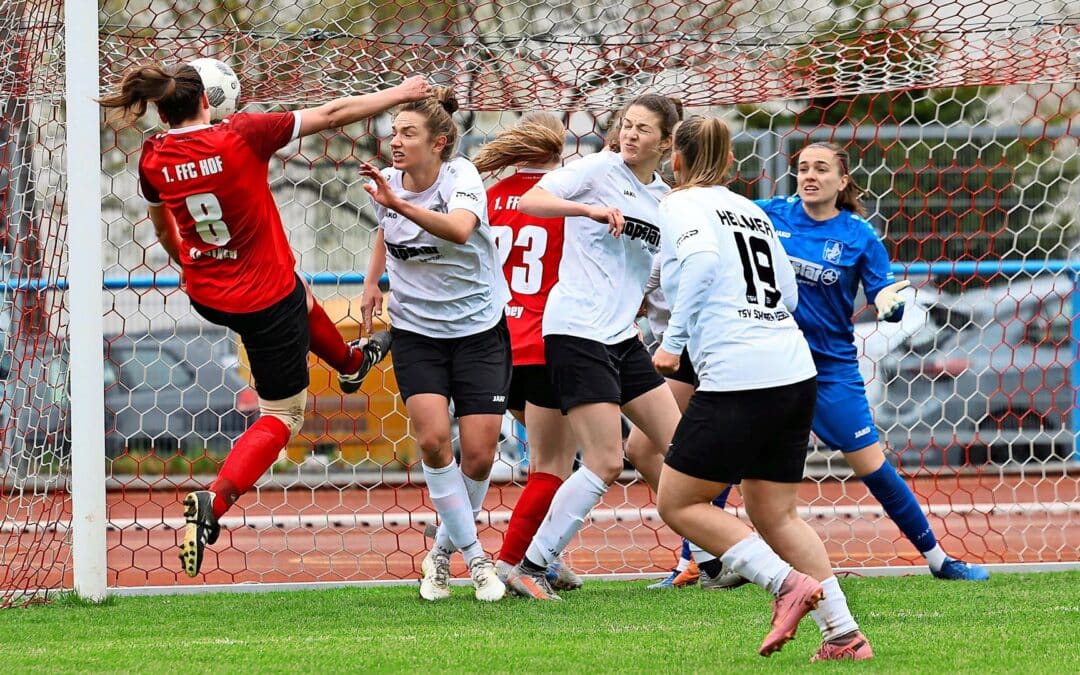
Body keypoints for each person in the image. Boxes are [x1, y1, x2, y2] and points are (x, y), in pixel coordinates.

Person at [99, 62, 429, 578]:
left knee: (297, 289)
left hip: (209, 291)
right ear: (210, 101)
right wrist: (400, 93)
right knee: (283, 415)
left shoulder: (152, 156)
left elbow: (161, 216)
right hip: (263, 299)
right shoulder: (243, 134)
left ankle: (349, 362)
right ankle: (214, 501)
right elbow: (334, 112)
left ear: (161, 109)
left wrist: (182, 259)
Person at [653, 114, 873, 661]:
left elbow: (702, 261)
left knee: (679, 503)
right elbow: (792, 296)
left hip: (740, 374)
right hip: (792, 370)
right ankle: (844, 635)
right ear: (729, 163)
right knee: (776, 514)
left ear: (675, 159)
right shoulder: (750, 209)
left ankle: (785, 584)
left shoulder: (681, 203)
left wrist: (674, 341)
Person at [736, 141, 987, 582]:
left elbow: (883, 295)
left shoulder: (859, 236)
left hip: (831, 368)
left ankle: (938, 560)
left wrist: (890, 303)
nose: (810, 176)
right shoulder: (768, 213)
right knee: (728, 454)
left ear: (842, 180)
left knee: (872, 465)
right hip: (771, 359)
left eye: (821, 169)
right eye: (803, 168)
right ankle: (696, 564)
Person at [504, 94, 684, 600]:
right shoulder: (597, 169)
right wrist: (586, 209)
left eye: (643, 129)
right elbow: (530, 201)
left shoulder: (663, 199)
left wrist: (655, 296)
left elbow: (653, 268)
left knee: (685, 448)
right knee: (605, 460)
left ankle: (712, 558)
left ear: (666, 143)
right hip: (576, 330)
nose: (630, 135)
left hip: (622, 336)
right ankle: (530, 564)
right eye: (626, 125)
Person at [358, 87, 509, 602]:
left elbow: (462, 231)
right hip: (417, 332)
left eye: (407, 133)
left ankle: (440, 553)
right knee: (431, 441)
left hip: (479, 330)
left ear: (440, 143)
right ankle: (476, 561)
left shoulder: (462, 177)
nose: (394, 141)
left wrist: (396, 202)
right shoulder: (387, 186)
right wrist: (371, 284)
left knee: (482, 457)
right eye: (393, 132)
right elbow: (385, 229)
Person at [470, 113, 584, 593]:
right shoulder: (565, 198)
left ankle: (547, 555)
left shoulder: (488, 198)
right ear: (559, 153)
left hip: (495, 343)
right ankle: (513, 563)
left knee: (552, 460)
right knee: (555, 465)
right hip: (544, 342)